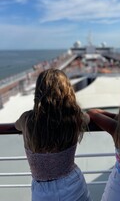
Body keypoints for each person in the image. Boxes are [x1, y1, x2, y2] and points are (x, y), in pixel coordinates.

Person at [15, 69, 91, 201]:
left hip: (42, 192)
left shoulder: (27, 120)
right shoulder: (74, 118)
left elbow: (16, 125)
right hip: (73, 184)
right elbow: (87, 119)